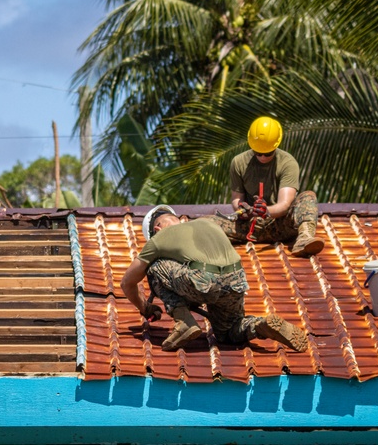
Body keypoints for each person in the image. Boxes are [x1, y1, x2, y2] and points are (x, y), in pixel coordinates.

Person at [121, 205, 309, 352]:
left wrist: (145, 308)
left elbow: (127, 282)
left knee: (153, 267)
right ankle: (260, 325)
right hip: (236, 280)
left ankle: (184, 322)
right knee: (228, 333)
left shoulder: (159, 238)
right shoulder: (208, 223)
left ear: (157, 228)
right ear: (181, 219)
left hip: (203, 280)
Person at [206, 116, 324, 258]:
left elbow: (285, 204)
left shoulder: (287, 163)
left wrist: (266, 211)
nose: (262, 157)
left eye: (267, 153)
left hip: (279, 225)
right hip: (248, 226)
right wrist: (242, 208)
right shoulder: (238, 162)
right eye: (258, 152)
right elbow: (236, 199)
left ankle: (304, 239)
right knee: (204, 225)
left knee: (308, 196)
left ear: (276, 145)